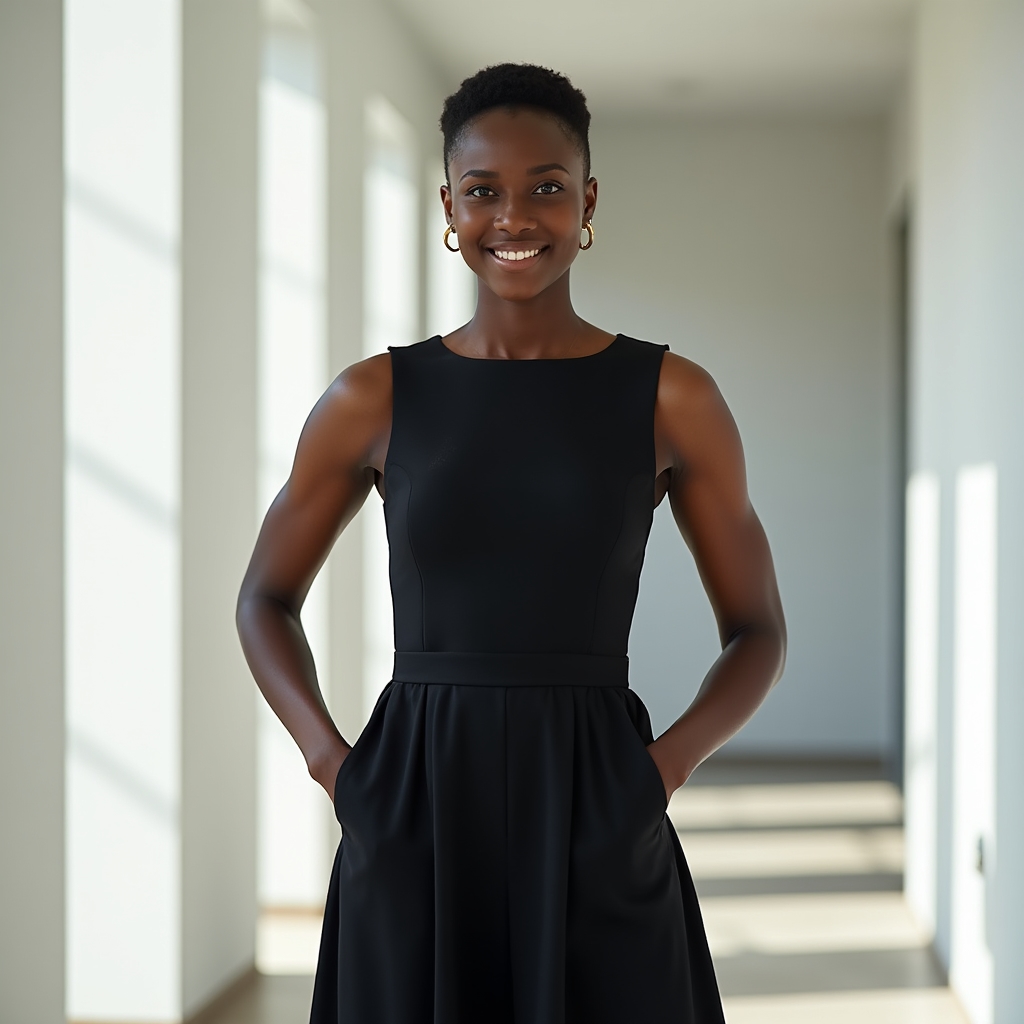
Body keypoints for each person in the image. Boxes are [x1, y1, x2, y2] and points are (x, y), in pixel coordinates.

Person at [237, 63, 786, 1024]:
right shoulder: (374, 395)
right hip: (414, 797)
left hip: (597, 794)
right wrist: (337, 768)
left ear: (587, 202)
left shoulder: (673, 397)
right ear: (450, 206)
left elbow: (757, 629)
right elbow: (263, 600)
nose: (515, 217)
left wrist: (661, 771)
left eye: (546, 186)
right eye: (484, 191)